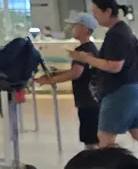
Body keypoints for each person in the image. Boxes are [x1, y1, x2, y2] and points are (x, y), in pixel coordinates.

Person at [80, 0, 138, 148]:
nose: (95, 17)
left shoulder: (116, 34)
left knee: (105, 138)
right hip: (132, 88)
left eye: (96, 13)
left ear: (108, 11)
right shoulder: (123, 31)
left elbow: (115, 66)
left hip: (119, 90)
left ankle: (113, 164)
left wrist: (88, 59)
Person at [36, 16, 102, 147]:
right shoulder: (91, 48)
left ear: (84, 28)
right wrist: (55, 74)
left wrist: (52, 80)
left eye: (75, 26)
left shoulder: (82, 51)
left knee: (90, 139)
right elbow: (79, 70)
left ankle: (94, 159)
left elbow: (76, 73)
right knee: (93, 136)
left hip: (87, 99)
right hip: (92, 99)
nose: (72, 29)